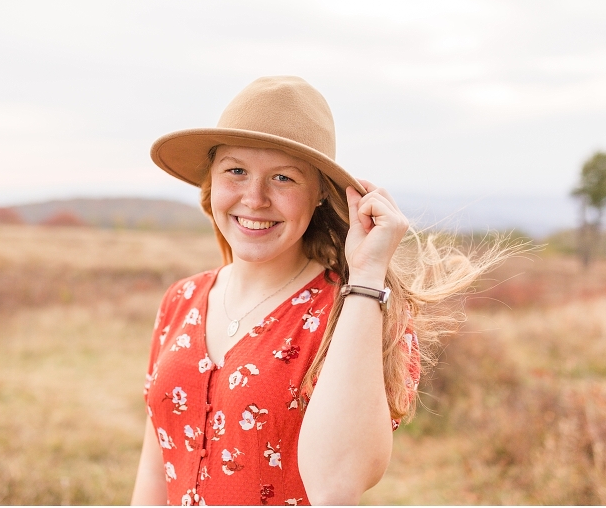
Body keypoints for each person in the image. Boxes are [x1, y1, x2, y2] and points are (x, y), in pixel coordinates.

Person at [131, 76, 499, 506]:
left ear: (320, 194)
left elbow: (338, 486)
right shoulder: (182, 299)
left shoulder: (359, 312)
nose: (254, 198)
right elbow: (156, 464)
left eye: (283, 178)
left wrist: (366, 276)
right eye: (236, 171)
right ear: (212, 180)